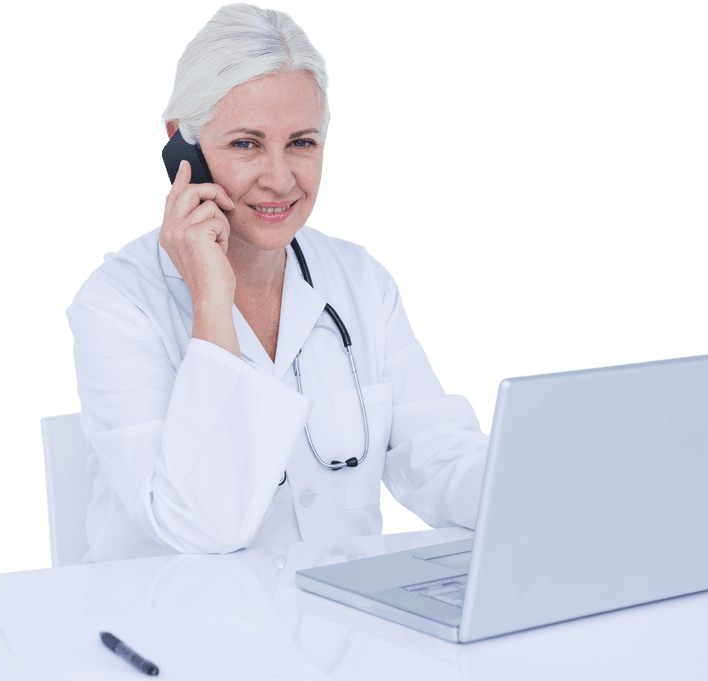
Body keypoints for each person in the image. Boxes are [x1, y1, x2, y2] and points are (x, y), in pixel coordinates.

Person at [67, 3, 487, 563]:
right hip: (174, 633)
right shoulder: (116, 303)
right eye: (246, 143)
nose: (280, 178)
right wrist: (211, 299)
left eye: (302, 142)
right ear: (181, 147)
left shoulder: (359, 278)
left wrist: (552, 493)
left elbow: (439, 457)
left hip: (340, 629)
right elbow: (203, 527)